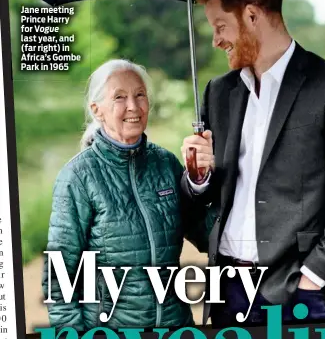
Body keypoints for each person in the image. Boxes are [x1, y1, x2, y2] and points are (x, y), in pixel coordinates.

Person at [181, 0, 325, 327]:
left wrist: (314, 276)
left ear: (252, 15)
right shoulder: (218, 92)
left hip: (298, 292)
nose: (215, 40)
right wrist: (198, 177)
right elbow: (204, 198)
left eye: (220, 26)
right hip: (227, 291)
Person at [42, 59, 215, 331]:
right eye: (119, 97)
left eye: (140, 95)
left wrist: (200, 181)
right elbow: (59, 275)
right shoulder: (78, 176)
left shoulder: (166, 164)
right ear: (97, 110)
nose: (133, 106)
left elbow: (208, 238)